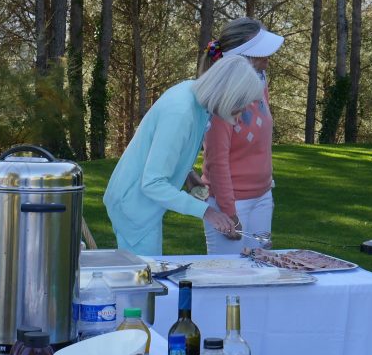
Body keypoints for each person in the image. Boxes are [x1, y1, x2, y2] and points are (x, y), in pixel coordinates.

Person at [103, 55, 265, 256]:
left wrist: (187, 173)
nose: (239, 117)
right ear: (229, 97)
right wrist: (207, 212)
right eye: (240, 108)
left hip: (141, 204)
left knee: (147, 277)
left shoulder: (195, 95)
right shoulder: (181, 112)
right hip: (134, 207)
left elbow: (166, 148)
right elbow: (152, 183)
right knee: (143, 280)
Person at [198, 17, 284, 254]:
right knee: (228, 277)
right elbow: (217, 162)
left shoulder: (260, 83)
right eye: (262, 54)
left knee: (261, 272)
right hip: (231, 202)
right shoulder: (220, 99)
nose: (267, 62)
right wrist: (229, 212)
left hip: (263, 197)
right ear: (244, 58)